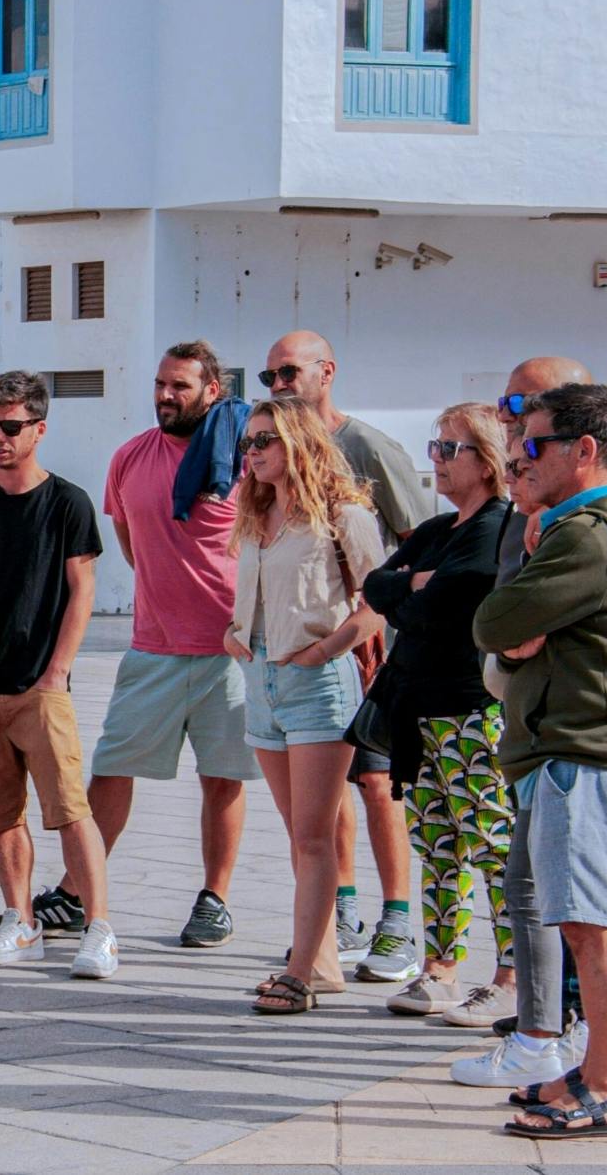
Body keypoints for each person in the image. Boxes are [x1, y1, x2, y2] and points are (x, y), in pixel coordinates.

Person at [452, 360, 607, 1089]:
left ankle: (606, 1085)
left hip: (580, 747)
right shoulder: (574, 528)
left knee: (588, 924)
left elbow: (493, 620)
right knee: (586, 917)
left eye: (537, 443)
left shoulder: (587, 534)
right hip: (571, 745)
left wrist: (521, 598)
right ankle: (593, 1075)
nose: (521, 453)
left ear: (586, 451)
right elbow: (509, 630)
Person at [38, 343, 255, 949]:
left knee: (222, 777)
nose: (165, 395)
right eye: (160, 384)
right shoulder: (130, 457)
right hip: (152, 646)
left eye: (180, 386)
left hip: (229, 651)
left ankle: (215, 898)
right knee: (111, 771)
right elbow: (130, 540)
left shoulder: (242, 459)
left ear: (213, 390)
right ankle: (77, 894)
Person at [262, 330, 432, 981]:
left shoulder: (366, 446)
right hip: (310, 658)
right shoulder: (276, 447)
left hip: (374, 647)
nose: (278, 385)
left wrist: (387, 626)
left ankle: (396, 922)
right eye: (269, 376)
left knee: (378, 783)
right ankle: (344, 914)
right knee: (325, 790)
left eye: (288, 373)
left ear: (326, 372)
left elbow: (419, 543)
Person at [0, 371, 115, 979]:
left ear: (40, 427)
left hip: (40, 684)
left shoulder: (67, 502)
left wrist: (58, 672)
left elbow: (81, 587)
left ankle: (99, 929)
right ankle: (21, 921)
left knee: (69, 808)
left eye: (10, 426)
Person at [351, 404, 514, 1021]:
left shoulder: (497, 526)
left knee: (492, 844)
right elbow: (376, 585)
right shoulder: (437, 530)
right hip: (417, 713)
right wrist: (412, 586)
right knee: (438, 845)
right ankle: (440, 968)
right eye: (436, 446)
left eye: (450, 449)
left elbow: (452, 600)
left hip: (469, 713)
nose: (436, 460)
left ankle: (508, 974)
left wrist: (416, 589)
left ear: (488, 460)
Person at [222, 399, 384, 1014]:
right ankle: (321, 963)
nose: (254, 451)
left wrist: (329, 648)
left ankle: (300, 972)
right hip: (260, 680)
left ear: (298, 443)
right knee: (298, 835)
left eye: (266, 440)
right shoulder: (256, 512)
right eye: (249, 442)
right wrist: (232, 635)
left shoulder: (344, 515)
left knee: (315, 837)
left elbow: (379, 601)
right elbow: (255, 598)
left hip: (317, 683)